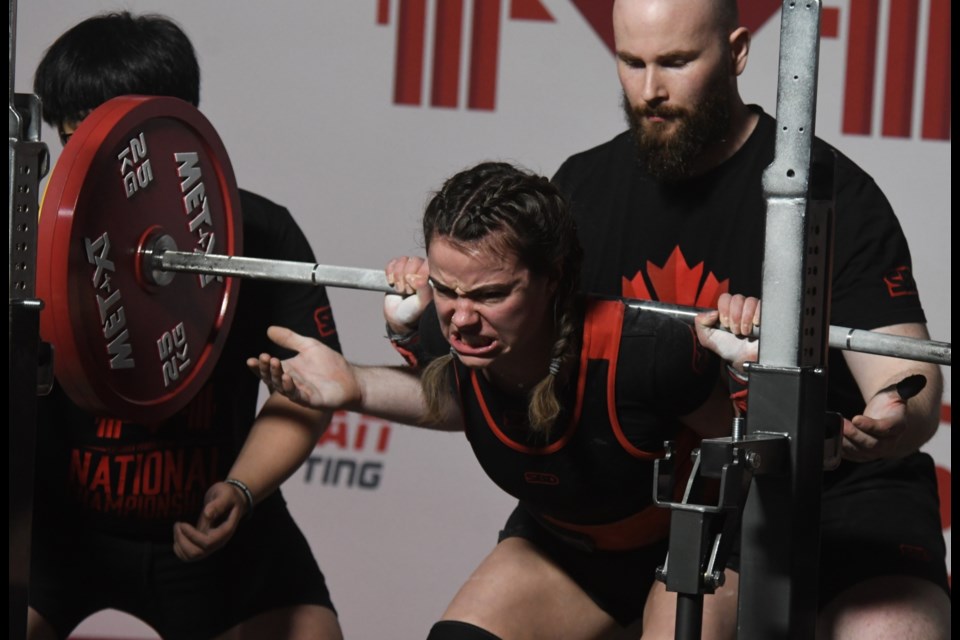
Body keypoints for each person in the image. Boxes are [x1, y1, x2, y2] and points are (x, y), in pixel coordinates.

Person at [550, 0, 950, 638]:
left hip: (848, 489)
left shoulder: (836, 190)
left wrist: (892, 417)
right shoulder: (582, 186)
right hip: (688, 489)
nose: (650, 90)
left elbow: (910, 380)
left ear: (736, 53)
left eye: (677, 62)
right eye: (632, 62)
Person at [249, 161, 758, 640]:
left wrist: (744, 376)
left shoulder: (647, 353)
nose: (463, 319)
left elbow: (745, 453)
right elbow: (453, 402)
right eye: (446, 290)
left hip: (693, 540)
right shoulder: (443, 336)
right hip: (566, 549)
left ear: (552, 278)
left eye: (492, 295)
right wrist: (352, 385)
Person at [29, 12, 344, 640]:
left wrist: (241, 489)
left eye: (106, 153)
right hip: (59, 534)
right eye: (71, 146)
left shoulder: (259, 232)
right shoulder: (26, 241)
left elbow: (307, 390)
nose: (80, 170)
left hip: (210, 522)